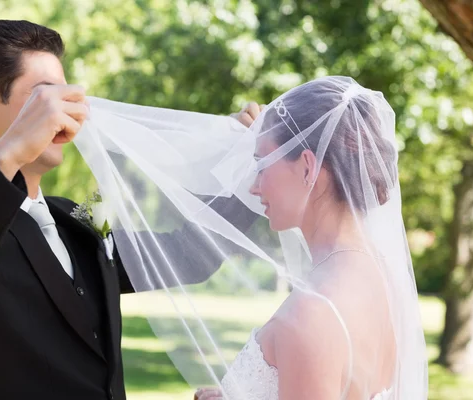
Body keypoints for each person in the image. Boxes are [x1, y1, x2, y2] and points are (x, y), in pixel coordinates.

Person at [0, 20, 254, 400]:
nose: (63, 113)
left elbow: (185, 256)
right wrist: (11, 153)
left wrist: (250, 171)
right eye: (44, 98)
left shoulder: (76, 218)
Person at [74, 76, 428, 399]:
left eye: (261, 164)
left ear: (307, 167)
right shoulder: (379, 277)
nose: (254, 186)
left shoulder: (312, 313)